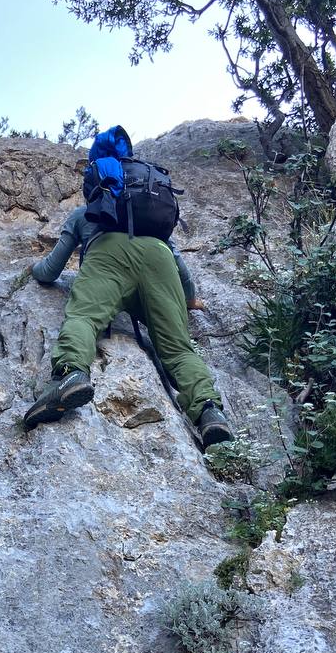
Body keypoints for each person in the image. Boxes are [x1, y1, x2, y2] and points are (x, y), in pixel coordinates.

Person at [22, 135, 234, 448]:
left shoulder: (85, 214)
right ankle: (208, 412)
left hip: (107, 259)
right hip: (158, 261)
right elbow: (178, 263)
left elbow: (50, 270)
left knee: (83, 318)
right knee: (177, 348)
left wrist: (31, 270)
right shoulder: (146, 211)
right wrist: (188, 298)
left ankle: (71, 375)